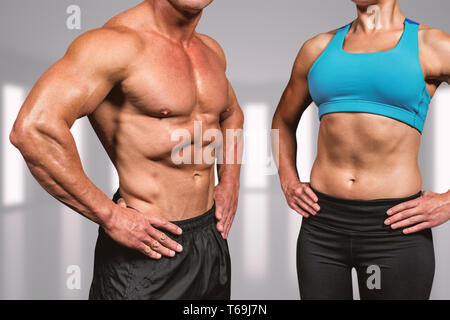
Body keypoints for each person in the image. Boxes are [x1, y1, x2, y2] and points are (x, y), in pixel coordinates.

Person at [10, 0, 243, 300]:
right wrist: (109, 216)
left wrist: (231, 181)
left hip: (210, 240)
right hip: (146, 250)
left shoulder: (211, 50)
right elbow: (33, 129)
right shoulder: (114, 45)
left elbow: (231, 112)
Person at [272, 0, 450, 299]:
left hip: (394, 230)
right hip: (322, 227)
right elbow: (282, 121)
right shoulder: (317, 49)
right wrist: (288, 179)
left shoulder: (432, 45)